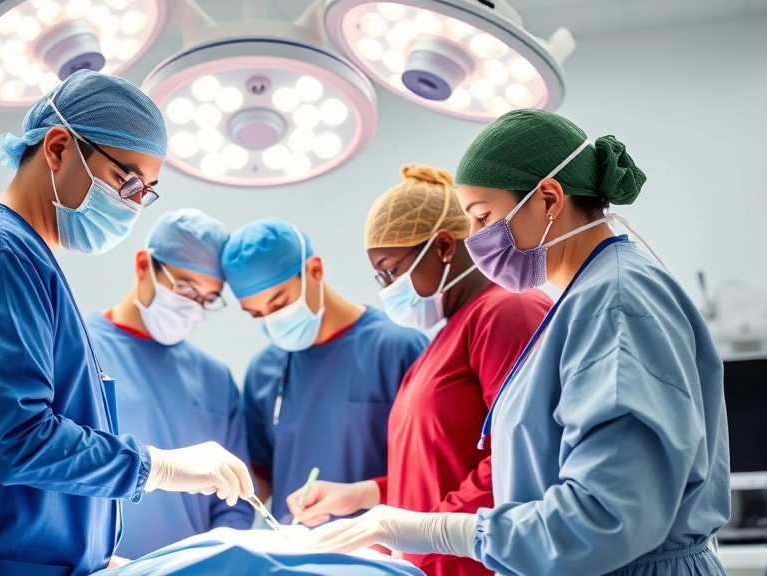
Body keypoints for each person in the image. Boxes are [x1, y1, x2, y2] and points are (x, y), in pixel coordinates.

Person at [306, 110, 729, 576]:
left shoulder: (617, 303)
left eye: (483, 217)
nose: (475, 240)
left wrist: (439, 532)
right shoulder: (584, 300)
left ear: (548, 198)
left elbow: (608, 516)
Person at [0, 71, 254, 576]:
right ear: (58, 148)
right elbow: (14, 439)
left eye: (148, 192)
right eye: (129, 181)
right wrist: (157, 467)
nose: (135, 205)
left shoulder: (22, 258)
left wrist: (89, 554)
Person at [287, 165, 551, 576]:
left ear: (444, 246)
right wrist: (363, 495)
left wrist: (419, 540)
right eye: (380, 275)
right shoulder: (443, 341)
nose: (387, 286)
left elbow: (521, 461)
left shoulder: (508, 310)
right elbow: (437, 469)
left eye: (391, 268)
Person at [221, 218, 430, 523]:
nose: (271, 321)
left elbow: (433, 469)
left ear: (315, 271)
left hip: (381, 555)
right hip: (295, 557)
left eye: (278, 304)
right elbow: (261, 475)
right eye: (256, 314)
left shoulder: (398, 348)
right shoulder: (263, 370)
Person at [83, 208, 254, 558]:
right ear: (144, 265)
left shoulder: (214, 377)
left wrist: (213, 563)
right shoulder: (78, 349)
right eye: (186, 288)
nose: (195, 306)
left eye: (207, 298)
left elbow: (235, 502)